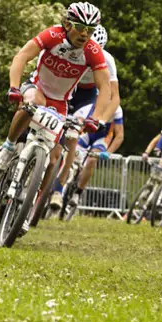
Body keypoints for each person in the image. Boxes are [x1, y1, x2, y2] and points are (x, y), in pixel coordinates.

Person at [0, 2, 113, 190]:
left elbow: (105, 88)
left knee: (54, 156)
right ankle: (8, 146)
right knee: (33, 101)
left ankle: (30, 201)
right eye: (80, 28)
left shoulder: (93, 51)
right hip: (37, 86)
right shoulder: (53, 35)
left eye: (90, 30)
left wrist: (95, 119)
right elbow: (22, 56)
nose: (84, 34)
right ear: (67, 24)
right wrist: (14, 87)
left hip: (60, 101)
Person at [50, 23, 121, 210]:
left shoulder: (107, 60)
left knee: (72, 137)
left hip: (86, 96)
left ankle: (59, 189)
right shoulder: (70, 48)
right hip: (66, 87)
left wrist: (101, 119)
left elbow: (114, 97)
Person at [64, 103, 125, 212]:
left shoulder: (116, 109)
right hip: (87, 134)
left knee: (92, 160)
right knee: (72, 153)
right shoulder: (91, 103)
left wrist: (109, 152)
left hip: (103, 137)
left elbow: (119, 135)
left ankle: (78, 192)